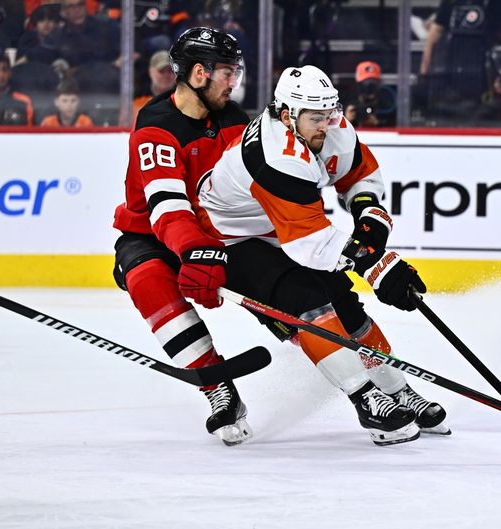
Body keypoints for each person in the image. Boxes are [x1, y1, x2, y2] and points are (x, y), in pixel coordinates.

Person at [198, 65, 451, 446]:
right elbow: (310, 242)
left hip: (283, 228)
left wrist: (370, 225)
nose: (327, 124)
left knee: (347, 306)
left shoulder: (330, 126)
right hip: (231, 239)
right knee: (309, 304)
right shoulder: (274, 154)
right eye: (316, 118)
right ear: (287, 116)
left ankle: (398, 389)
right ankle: (367, 400)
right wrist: (376, 265)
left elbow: (358, 178)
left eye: (331, 114)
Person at [111, 28, 250, 445]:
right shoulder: (155, 124)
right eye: (226, 72)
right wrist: (197, 251)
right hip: (152, 233)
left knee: (278, 288)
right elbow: (166, 208)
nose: (234, 82)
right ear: (198, 73)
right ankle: (216, 387)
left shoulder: (235, 120)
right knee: (147, 280)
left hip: (214, 234)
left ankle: (359, 381)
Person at [420, 0, 501, 119]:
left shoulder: (498, 3)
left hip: (487, 63)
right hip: (456, 62)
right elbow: (437, 29)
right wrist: (425, 66)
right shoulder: (451, 2)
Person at [344, 60, 396, 128]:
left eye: (373, 84)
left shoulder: (388, 106)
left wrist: (378, 123)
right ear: (358, 84)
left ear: (379, 84)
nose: (369, 88)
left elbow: (395, 128)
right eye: (366, 83)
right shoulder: (349, 103)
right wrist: (346, 121)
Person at [132, 50, 177, 124]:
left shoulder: (185, 97)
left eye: (170, 71)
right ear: (150, 72)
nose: (166, 76)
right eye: (161, 71)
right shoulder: (138, 97)